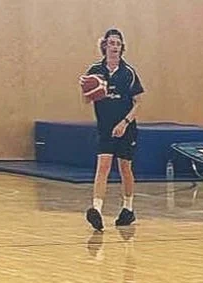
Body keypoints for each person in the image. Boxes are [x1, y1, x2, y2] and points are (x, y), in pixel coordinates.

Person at [82, 28, 145, 232]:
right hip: (105, 128)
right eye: (111, 43)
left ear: (122, 48)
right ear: (105, 46)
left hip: (126, 128)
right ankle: (96, 210)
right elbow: (86, 100)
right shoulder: (94, 70)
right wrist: (89, 89)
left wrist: (124, 123)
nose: (115, 47)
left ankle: (128, 208)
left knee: (125, 168)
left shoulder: (128, 73)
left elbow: (138, 102)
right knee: (103, 167)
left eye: (118, 44)